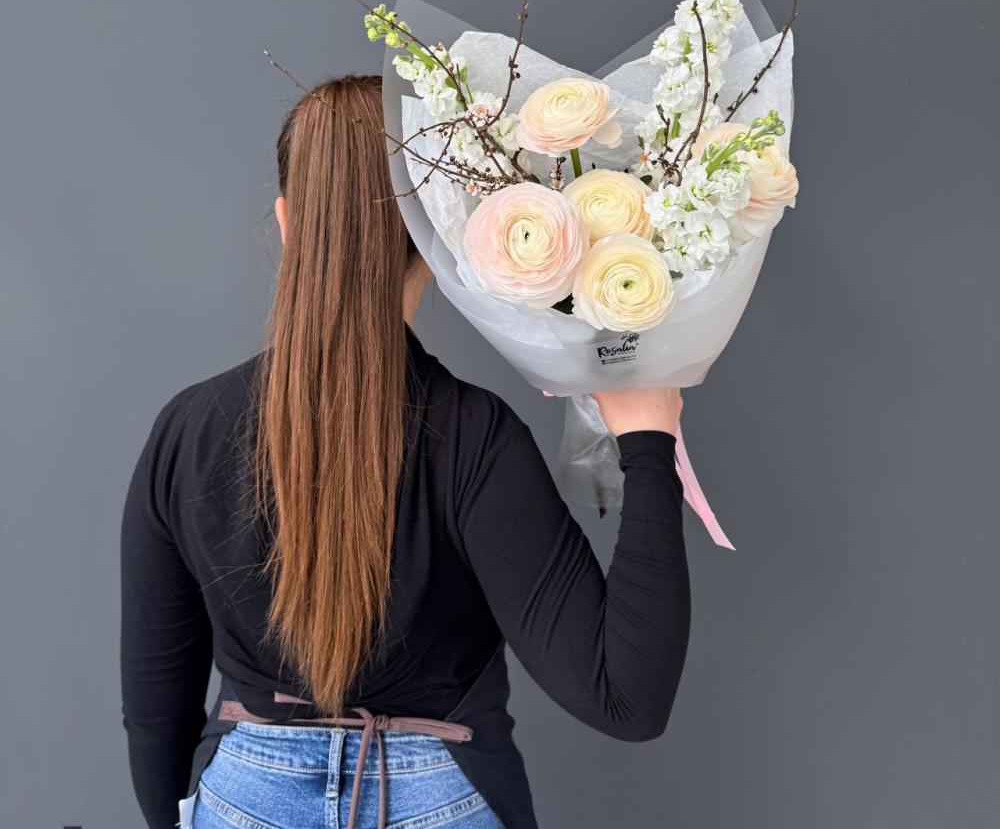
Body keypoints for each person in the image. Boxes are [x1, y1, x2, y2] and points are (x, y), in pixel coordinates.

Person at [119, 74, 691, 829]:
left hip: (243, 799)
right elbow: (627, 698)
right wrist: (649, 441)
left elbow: (155, 719)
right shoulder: (477, 439)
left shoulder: (186, 432)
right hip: (440, 797)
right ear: (438, 235)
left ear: (289, 222)